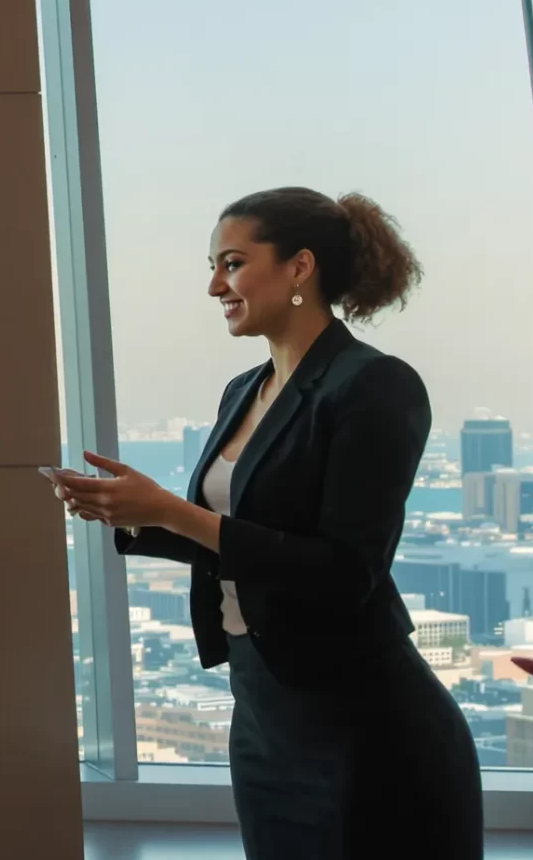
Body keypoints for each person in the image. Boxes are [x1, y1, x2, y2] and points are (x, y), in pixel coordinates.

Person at [50, 188, 482, 858]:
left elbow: (345, 572)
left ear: (299, 266)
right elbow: (246, 539)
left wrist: (172, 509)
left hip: (363, 724)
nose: (214, 284)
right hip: (262, 711)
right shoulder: (243, 390)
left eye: (232, 262)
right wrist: (136, 515)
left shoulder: (374, 385)